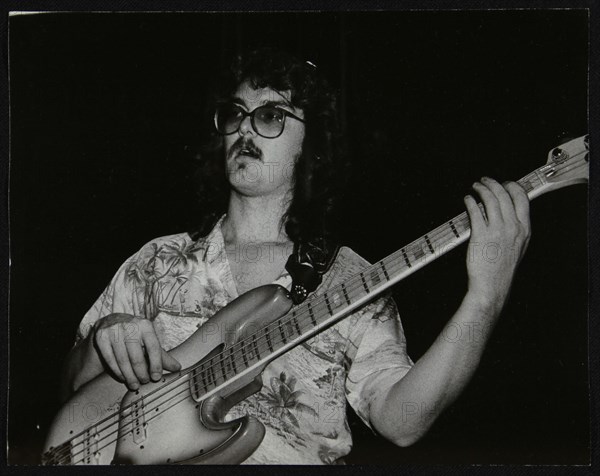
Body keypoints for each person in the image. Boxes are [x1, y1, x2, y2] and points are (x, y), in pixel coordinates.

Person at [59, 47, 531, 464]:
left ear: (312, 145)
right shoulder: (157, 260)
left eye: (271, 116)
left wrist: (485, 297)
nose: (245, 127)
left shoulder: (350, 280)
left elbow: (401, 420)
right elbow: (72, 396)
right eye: (236, 113)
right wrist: (104, 338)